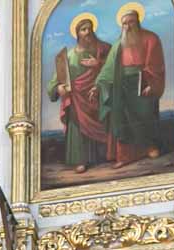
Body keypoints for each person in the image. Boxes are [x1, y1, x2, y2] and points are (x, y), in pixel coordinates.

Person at [101, 3, 167, 166]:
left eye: (131, 22)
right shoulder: (118, 44)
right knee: (121, 117)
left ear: (137, 21)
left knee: (145, 115)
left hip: (143, 81)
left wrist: (151, 83)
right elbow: (108, 68)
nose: (128, 26)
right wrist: (99, 84)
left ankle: (150, 147)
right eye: (124, 23)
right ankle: (124, 156)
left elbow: (155, 64)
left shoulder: (151, 38)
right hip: (121, 85)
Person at [47, 14, 111, 173]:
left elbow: (115, 67)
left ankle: (107, 155)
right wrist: (58, 88)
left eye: (90, 29)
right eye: (83, 29)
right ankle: (80, 160)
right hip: (77, 99)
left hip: (99, 94)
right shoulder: (68, 56)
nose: (87, 32)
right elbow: (56, 81)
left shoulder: (103, 49)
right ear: (78, 34)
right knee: (77, 127)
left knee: (106, 120)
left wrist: (99, 64)